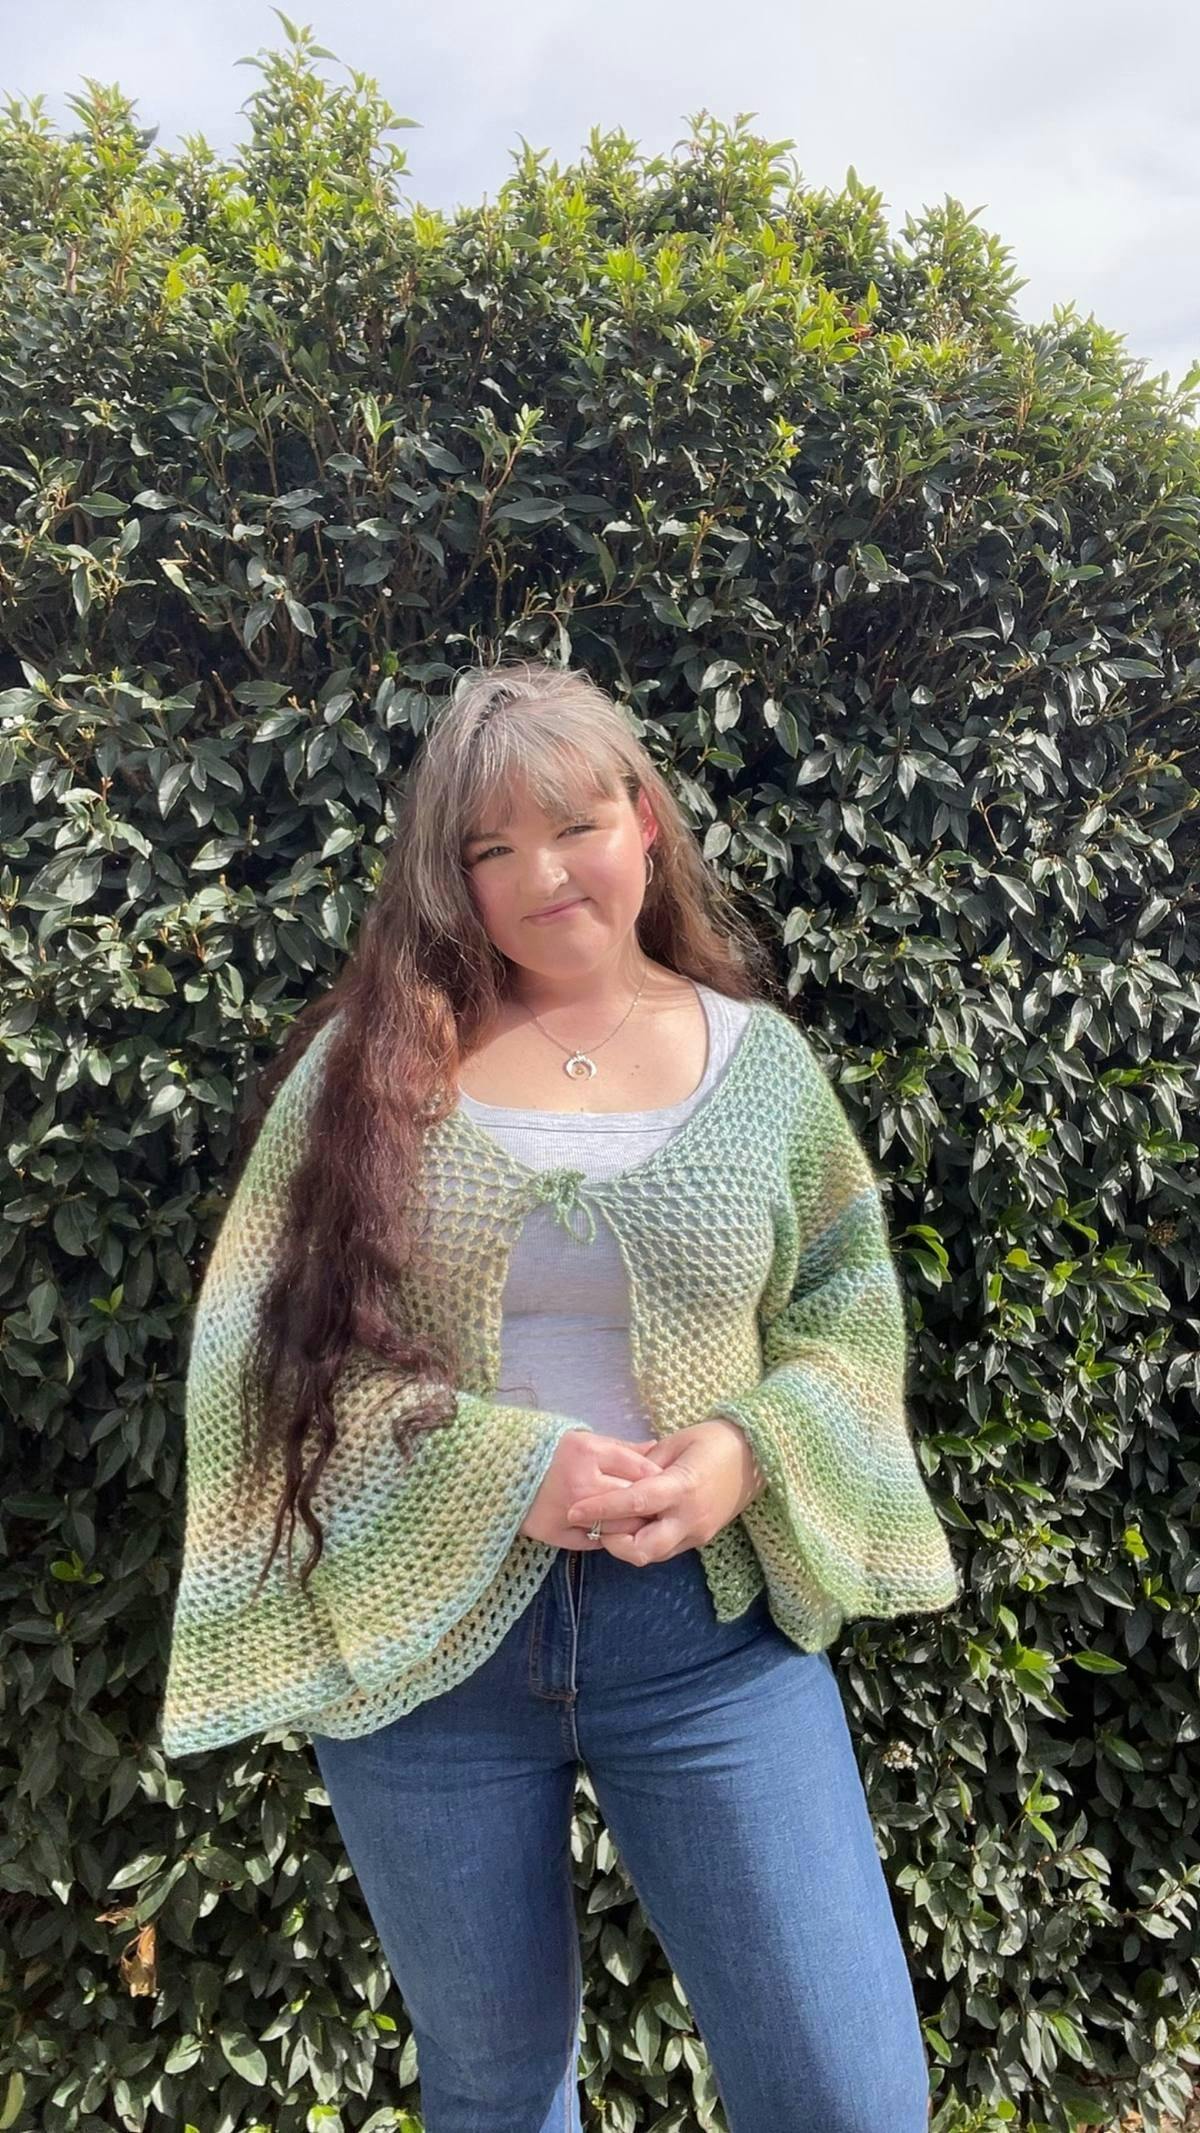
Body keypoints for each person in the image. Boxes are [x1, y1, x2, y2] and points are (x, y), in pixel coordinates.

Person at [161, 657, 961, 2133]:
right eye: (491, 847)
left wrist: (746, 1450)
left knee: (847, 2095)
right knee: (495, 2089)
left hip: (707, 1638)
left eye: (575, 825)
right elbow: (263, 1349)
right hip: (425, 1644)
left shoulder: (762, 1068)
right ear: (453, 876)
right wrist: (496, 1467)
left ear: (644, 822)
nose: (541, 875)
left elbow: (850, 1317)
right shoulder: (369, 1069)